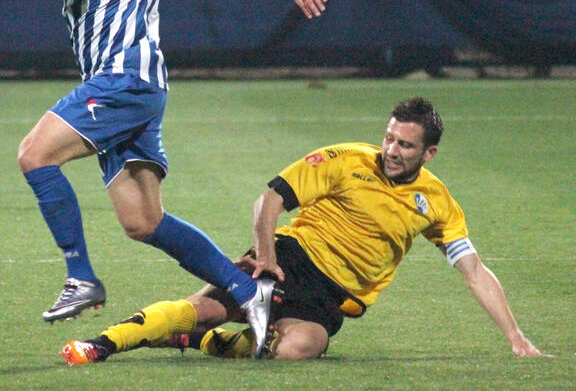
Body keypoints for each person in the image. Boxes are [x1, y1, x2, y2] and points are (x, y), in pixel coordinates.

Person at [0, 0, 328, 332]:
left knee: (34, 155)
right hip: (115, 85)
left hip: (129, 78)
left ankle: (80, 276)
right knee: (143, 223)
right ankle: (249, 292)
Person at [60, 97, 548, 364]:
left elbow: (474, 271)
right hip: (292, 259)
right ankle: (103, 344)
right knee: (205, 307)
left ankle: (208, 344)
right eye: (389, 138)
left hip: (333, 297)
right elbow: (269, 199)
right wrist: (267, 254)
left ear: (429, 153)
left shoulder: (436, 202)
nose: (392, 150)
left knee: (300, 348)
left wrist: (515, 336)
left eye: (405, 145)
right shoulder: (345, 160)